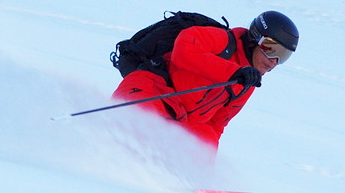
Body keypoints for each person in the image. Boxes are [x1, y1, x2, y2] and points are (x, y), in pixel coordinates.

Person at [112, 10, 299, 151]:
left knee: (200, 135)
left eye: (283, 56)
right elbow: (183, 50)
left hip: (178, 121)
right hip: (150, 92)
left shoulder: (246, 82)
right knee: (140, 131)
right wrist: (233, 72)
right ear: (256, 38)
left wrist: (203, 170)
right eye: (271, 49)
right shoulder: (223, 41)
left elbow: (214, 126)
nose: (273, 61)